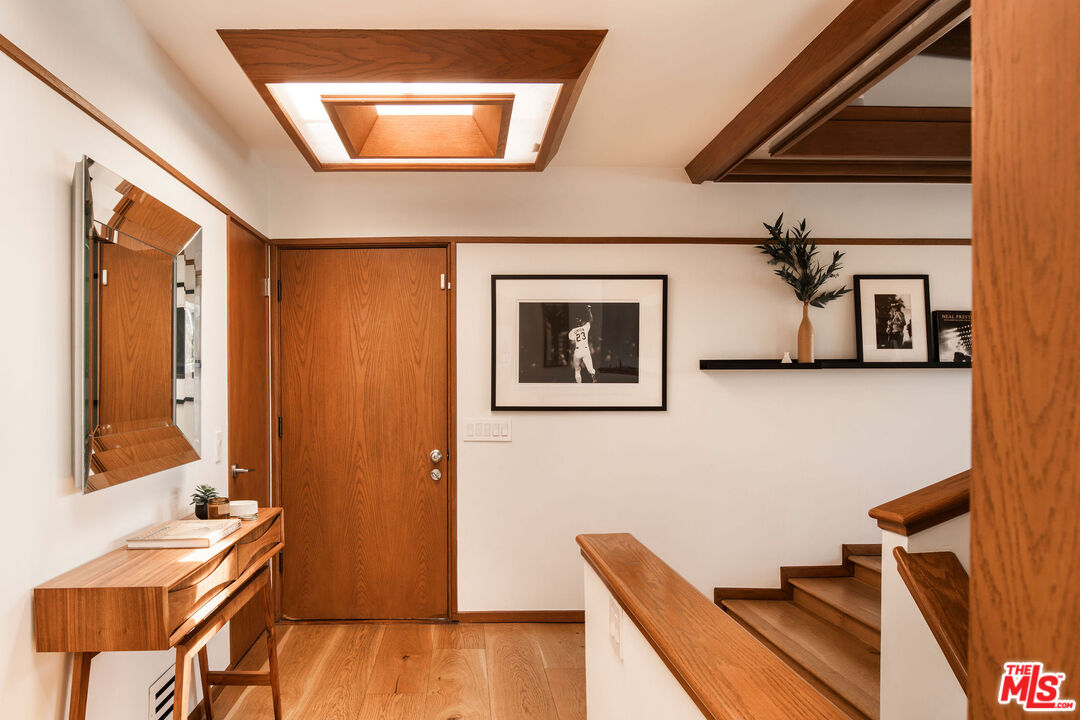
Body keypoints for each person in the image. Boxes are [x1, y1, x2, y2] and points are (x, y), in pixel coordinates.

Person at [568, 305, 599, 383]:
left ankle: (579, 384)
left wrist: (572, 353)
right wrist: (589, 311)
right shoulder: (585, 328)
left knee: (577, 370)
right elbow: (591, 320)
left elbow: (572, 343)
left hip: (578, 350)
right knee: (590, 368)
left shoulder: (572, 331)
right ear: (581, 322)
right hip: (585, 350)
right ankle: (593, 377)